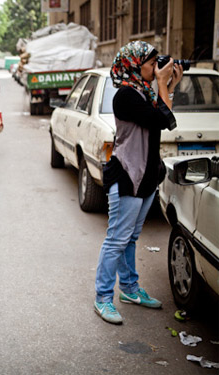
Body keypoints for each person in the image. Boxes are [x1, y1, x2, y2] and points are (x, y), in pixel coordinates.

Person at [94, 41, 183, 325]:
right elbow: (164, 120)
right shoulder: (125, 96)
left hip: (146, 175)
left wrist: (167, 85)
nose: (156, 66)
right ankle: (103, 297)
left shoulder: (143, 92)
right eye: (151, 61)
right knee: (116, 240)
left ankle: (130, 290)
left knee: (130, 238)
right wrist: (162, 83)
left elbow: (160, 114)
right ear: (134, 63)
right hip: (128, 175)